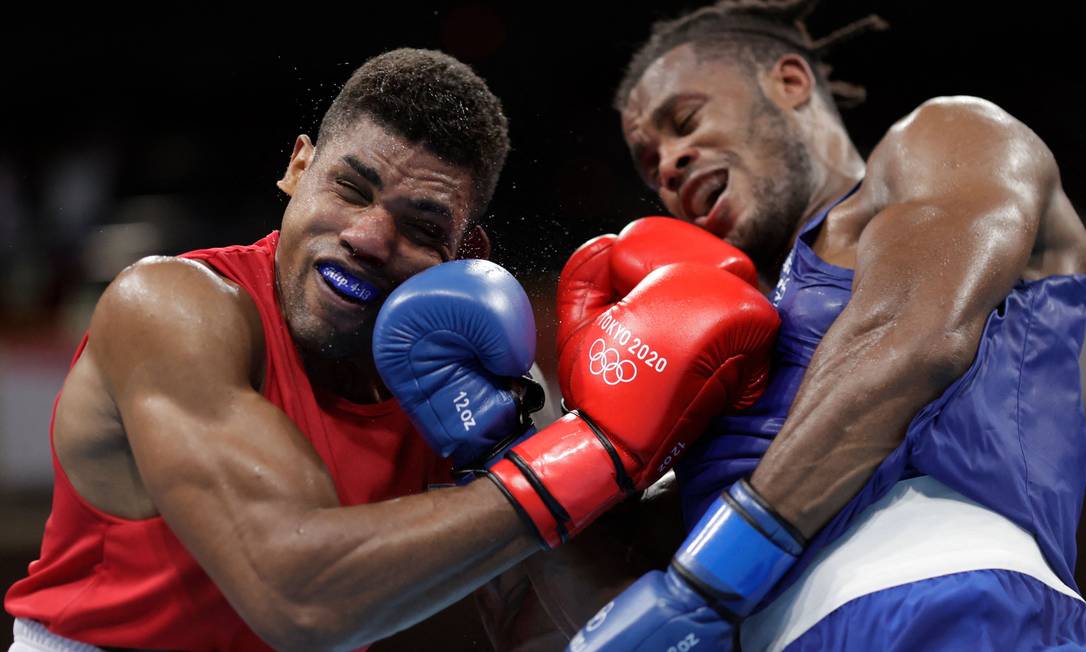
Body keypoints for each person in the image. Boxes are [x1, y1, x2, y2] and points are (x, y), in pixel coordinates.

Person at [4, 45, 783, 651]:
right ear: (297, 167)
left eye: (419, 225)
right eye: (350, 187)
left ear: (463, 250)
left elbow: (564, 623)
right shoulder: (173, 308)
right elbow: (298, 596)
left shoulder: (482, 376)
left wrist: (641, 459)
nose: (370, 238)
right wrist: (589, 455)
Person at [559, 1, 1086, 650]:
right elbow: (650, 556)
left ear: (789, 82)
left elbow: (912, 341)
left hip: (957, 611)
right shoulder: (728, 340)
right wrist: (524, 446)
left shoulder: (950, 140)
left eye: (685, 120)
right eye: (648, 163)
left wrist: (708, 580)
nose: (669, 163)